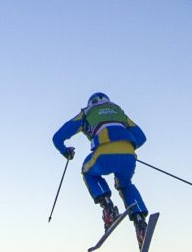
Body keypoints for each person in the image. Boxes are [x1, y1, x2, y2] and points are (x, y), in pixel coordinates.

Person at [52, 92, 149, 242]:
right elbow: (141, 137)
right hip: (129, 156)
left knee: (88, 172)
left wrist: (65, 151)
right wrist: (126, 146)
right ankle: (140, 221)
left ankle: (108, 207)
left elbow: (58, 137)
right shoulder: (118, 111)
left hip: (104, 154)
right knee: (125, 185)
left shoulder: (87, 112)